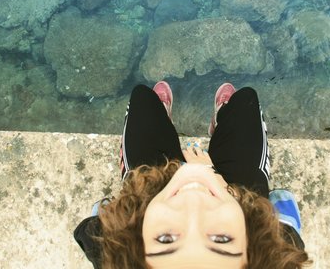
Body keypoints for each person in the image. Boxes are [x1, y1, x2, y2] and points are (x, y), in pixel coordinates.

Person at [74, 81, 310, 268]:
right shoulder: (282, 242)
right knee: (245, 101)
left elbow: (98, 219)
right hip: (237, 197)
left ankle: (162, 123)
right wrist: (225, 187)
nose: (193, 201)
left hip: (149, 199)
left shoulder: (102, 243)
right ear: (252, 246)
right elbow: (283, 207)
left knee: (143, 100)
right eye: (221, 239)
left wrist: (141, 200)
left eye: (166, 239)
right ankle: (222, 120)